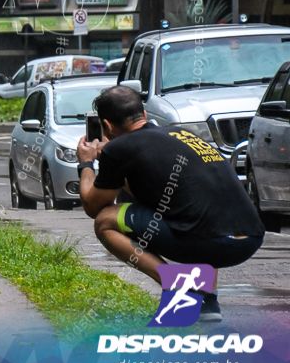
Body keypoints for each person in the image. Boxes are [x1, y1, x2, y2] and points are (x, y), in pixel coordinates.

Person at [77, 85, 265, 322]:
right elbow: (157, 192)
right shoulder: (183, 135)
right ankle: (206, 302)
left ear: (107, 126)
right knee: (193, 210)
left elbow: (93, 207)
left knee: (106, 221)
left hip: (207, 241)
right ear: (144, 114)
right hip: (249, 239)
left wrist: (85, 164)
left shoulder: (119, 147)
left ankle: (177, 283)